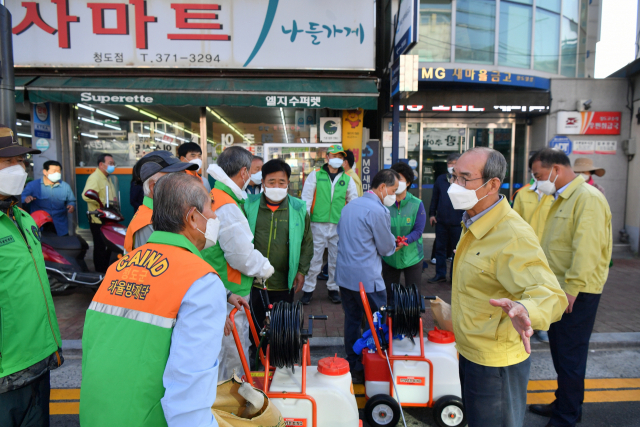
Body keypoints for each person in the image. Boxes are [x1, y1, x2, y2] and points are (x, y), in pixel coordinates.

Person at [80, 172, 246, 427]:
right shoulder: (200, 281)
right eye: (210, 207)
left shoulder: (120, 268)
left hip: (96, 414)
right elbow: (189, 396)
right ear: (192, 217)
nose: (214, 216)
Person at [450, 147, 567, 427]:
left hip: (495, 363)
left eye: (465, 178)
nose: (455, 186)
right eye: (453, 177)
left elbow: (550, 294)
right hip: (471, 352)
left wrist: (525, 308)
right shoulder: (472, 221)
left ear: (492, 184)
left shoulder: (511, 234)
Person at [529, 148, 612, 427]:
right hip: (559, 289)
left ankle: (568, 416)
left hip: (575, 292)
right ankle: (563, 403)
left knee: (570, 355)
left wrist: (572, 290)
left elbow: (586, 248)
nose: (538, 180)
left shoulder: (587, 198)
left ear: (557, 170)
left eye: (539, 175)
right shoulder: (562, 198)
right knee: (561, 352)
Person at [0, 124, 64, 427]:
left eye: (20, 161)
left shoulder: (22, 217)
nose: (18, 168)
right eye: (7, 161)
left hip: (38, 362)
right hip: (5, 372)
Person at [203, 146, 274, 381]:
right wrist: (265, 268)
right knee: (234, 360)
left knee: (220, 355)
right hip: (229, 292)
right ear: (243, 172)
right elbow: (240, 256)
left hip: (217, 287)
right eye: (253, 171)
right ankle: (233, 407)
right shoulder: (227, 206)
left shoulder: (215, 196)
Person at [335, 169, 399, 383]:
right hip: (368, 280)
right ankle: (375, 363)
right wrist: (394, 245)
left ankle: (353, 363)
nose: (394, 195)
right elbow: (385, 247)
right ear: (382, 188)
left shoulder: (349, 206)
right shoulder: (377, 210)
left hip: (345, 276)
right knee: (376, 322)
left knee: (352, 320)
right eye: (393, 190)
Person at [244, 159, 314, 330]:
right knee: (255, 329)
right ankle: (258, 357)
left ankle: (276, 357)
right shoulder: (248, 205)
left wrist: (302, 271)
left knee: (281, 330)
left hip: (285, 280)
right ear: (263, 182)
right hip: (254, 282)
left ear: (288, 183)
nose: (276, 186)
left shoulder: (298, 209)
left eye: (281, 182)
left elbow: (307, 243)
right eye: (271, 182)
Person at [300, 144, 359, 305]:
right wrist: (305, 222)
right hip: (317, 223)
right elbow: (306, 199)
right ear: (327, 157)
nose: (337, 160)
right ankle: (308, 289)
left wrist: (350, 223)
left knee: (336, 259)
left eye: (340, 157)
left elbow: (353, 202)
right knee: (314, 259)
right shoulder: (316, 175)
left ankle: (333, 289)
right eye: (334, 156)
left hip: (338, 224)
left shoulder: (347, 179)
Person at [124, 151, 199, 253]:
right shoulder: (149, 223)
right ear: (154, 188)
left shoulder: (165, 214)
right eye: (176, 179)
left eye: (184, 177)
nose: (185, 184)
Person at [381, 162, 426, 294]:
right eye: (393, 178)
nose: (396, 182)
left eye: (400, 178)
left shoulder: (417, 204)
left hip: (413, 257)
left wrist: (403, 241)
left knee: (413, 297)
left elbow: (418, 231)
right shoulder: (384, 203)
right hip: (389, 257)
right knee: (390, 296)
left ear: (408, 182)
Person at [428, 153, 464, 283]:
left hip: (458, 221)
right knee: (440, 249)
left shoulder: (463, 180)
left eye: (455, 163)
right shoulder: (440, 179)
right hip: (441, 221)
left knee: (457, 250)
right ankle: (440, 275)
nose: (452, 166)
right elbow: (435, 198)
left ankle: (454, 277)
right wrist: (432, 214)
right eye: (450, 163)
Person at [82, 153, 118, 273]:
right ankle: (99, 274)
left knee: (108, 247)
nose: (113, 166)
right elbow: (86, 195)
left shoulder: (107, 178)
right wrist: (102, 203)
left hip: (108, 218)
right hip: (98, 219)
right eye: (110, 163)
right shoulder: (95, 178)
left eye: (113, 163)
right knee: (100, 248)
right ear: (101, 164)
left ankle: (106, 271)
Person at [22, 160, 76, 236]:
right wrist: (26, 198)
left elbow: (71, 200)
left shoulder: (65, 186)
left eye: (58, 171)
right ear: (45, 172)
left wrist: (72, 206)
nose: (57, 173)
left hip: (60, 227)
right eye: (54, 171)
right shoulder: (33, 185)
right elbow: (21, 197)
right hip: (40, 227)